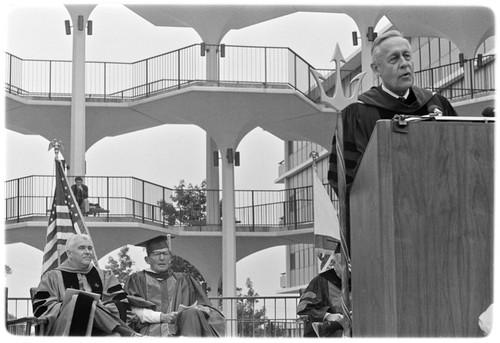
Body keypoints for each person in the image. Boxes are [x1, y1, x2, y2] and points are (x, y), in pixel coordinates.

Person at [328, 29, 457, 249]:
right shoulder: (357, 115)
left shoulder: (437, 105)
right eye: (394, 58)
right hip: (385, 230)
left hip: (441, 223)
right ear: (376, 69)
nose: (404, 63)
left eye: (407, 56)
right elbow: (343, 182)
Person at [32, 234, 136, 336]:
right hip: (65, 329)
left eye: (90, 248)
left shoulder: (105, 276)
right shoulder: (52, 277)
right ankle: (126, 333)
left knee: (115, 336)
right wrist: (70, 306)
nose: (87, 252)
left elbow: (122, 304)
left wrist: (98, 307)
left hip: (100, 328)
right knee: (81, 302)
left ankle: (119, 330)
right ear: (69, 253)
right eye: (82, 248)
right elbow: (41, 309)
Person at [124, 235, 226, 337]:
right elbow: (131, 310)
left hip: (183, 330)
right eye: (156, 254)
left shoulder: (184, 280)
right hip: (149, 332)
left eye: (165, 253)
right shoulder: (136, 280)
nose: (162, 258)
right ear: (147, 259)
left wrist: (191, 313)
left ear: (170, 258)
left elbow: (207, 308)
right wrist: (161, 317)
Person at [297, 246, 349, 337]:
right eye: (344, 265)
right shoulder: (321, 281)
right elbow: (304, 308)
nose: (349, 270)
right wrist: (327, 316)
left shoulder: (363, 282)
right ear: (333, 263)